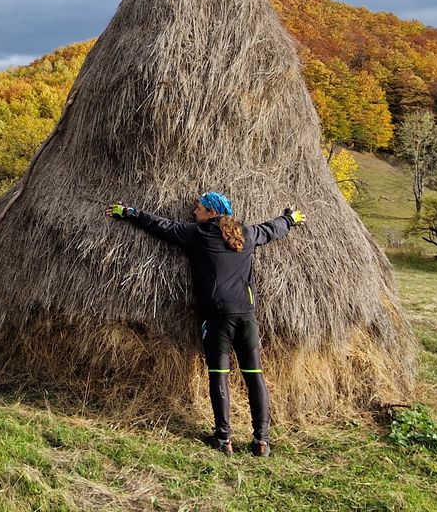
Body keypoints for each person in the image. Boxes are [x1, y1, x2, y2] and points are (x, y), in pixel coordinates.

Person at [107, 191, 305, 456]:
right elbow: (272, 229)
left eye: (198, 209)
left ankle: (224, 440)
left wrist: (129, 212)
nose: (194, 213)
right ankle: (262, 441)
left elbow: (161, 226)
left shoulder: (199, 234)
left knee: (219, 377)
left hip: (217, 317)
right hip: (246, 315)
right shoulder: (246, 233)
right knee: (255, 377)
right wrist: (290, 219)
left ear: (212, 213)